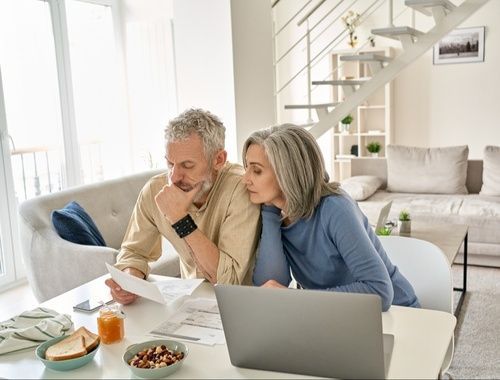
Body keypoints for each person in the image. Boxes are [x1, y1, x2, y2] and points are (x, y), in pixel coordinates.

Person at [242, 124, 419, 311]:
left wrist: (297, 298)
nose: (245, 178)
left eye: (257, 170)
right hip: (337, 317)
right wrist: (270, 213)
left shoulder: (335, 208)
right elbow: (270, 286)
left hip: (397, 315)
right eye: (246, 167)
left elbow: (379, 291)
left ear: (287, 174)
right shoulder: (276, 213)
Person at [106, 108, 261, 304]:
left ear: (218, 160)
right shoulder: (156, 190)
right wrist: (130, 281)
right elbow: (133, 252)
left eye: (187, 166)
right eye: (170, 164)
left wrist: (180, 220)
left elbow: (227, 281)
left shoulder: (241, 188)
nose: (174, 177)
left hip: (241, 305)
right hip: (190, 304)